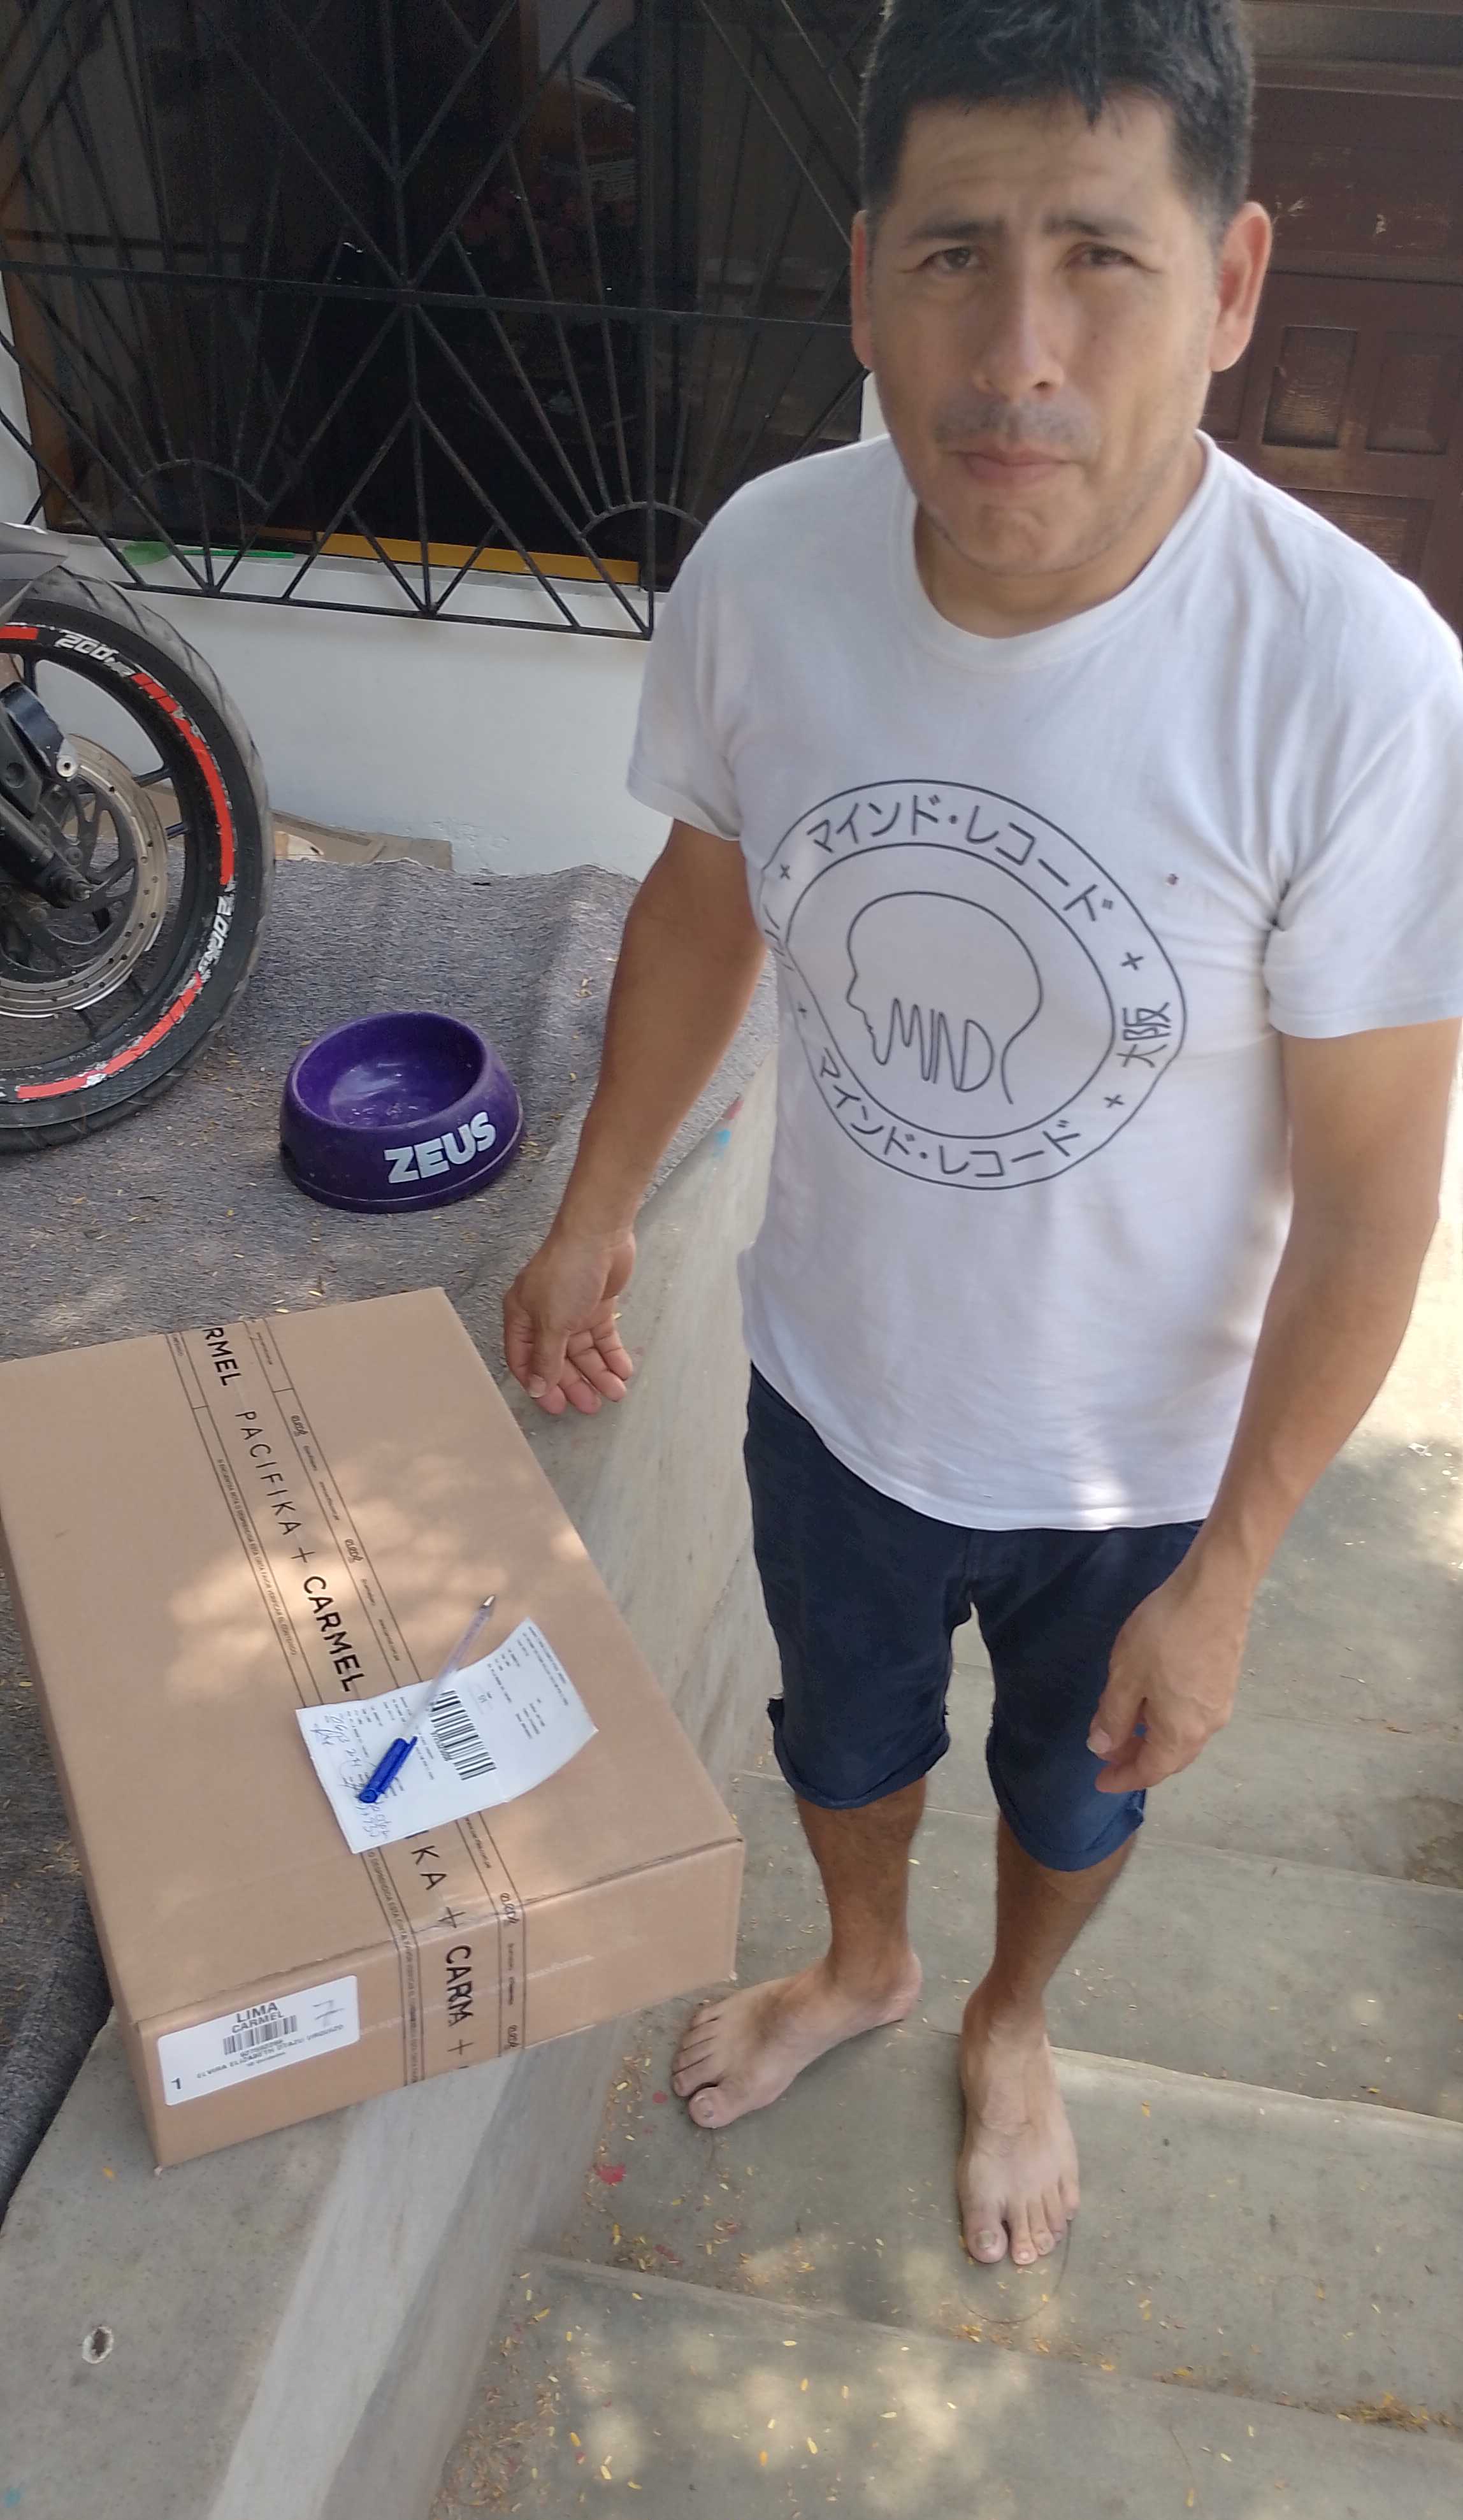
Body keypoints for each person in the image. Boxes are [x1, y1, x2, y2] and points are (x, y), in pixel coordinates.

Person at [504, 0, 1463, 2273]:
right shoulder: (770, 564)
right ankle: (865, 1964)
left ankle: (1013, 2017)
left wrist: (1232, 1576)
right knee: (840, 1744)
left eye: (1101, 260)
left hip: (1132, 1467)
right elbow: (709, 896)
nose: (1017, 353)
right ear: (865, 278)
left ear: (1231, 285)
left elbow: (1372, 1197)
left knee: (1072, 1787)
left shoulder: (1353, 683)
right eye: (953, 255)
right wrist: (597, 1203)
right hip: (834, 1378)